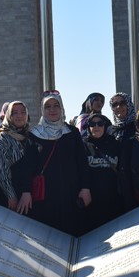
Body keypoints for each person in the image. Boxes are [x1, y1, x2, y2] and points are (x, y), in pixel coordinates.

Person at [29, 91, 92, 235]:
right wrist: (26, 191)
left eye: (56, 105)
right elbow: (29, 166)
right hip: (45, 196)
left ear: (61, 107)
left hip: (71, 192)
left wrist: (85, 187)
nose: (52, 110)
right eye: (48, 106)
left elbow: (82, 162)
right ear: (42, 109)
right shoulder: (33, 134)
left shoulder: (72, 132)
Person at [0, 101, 37, 214]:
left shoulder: (30, 136)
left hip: (31, 193)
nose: (19, 116)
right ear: (8, 116)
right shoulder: (2, 139)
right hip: (14, 197)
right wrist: (11, 196)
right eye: (15, 113)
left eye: (23, 112)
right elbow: (1, 171)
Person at [83, 114, 123, 231]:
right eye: (92, 124)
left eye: (100, 124)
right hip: (91, 203)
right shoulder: (83, 146)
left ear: (105, 126)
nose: (96, 127)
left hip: (113, 201)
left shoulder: (115, 144)